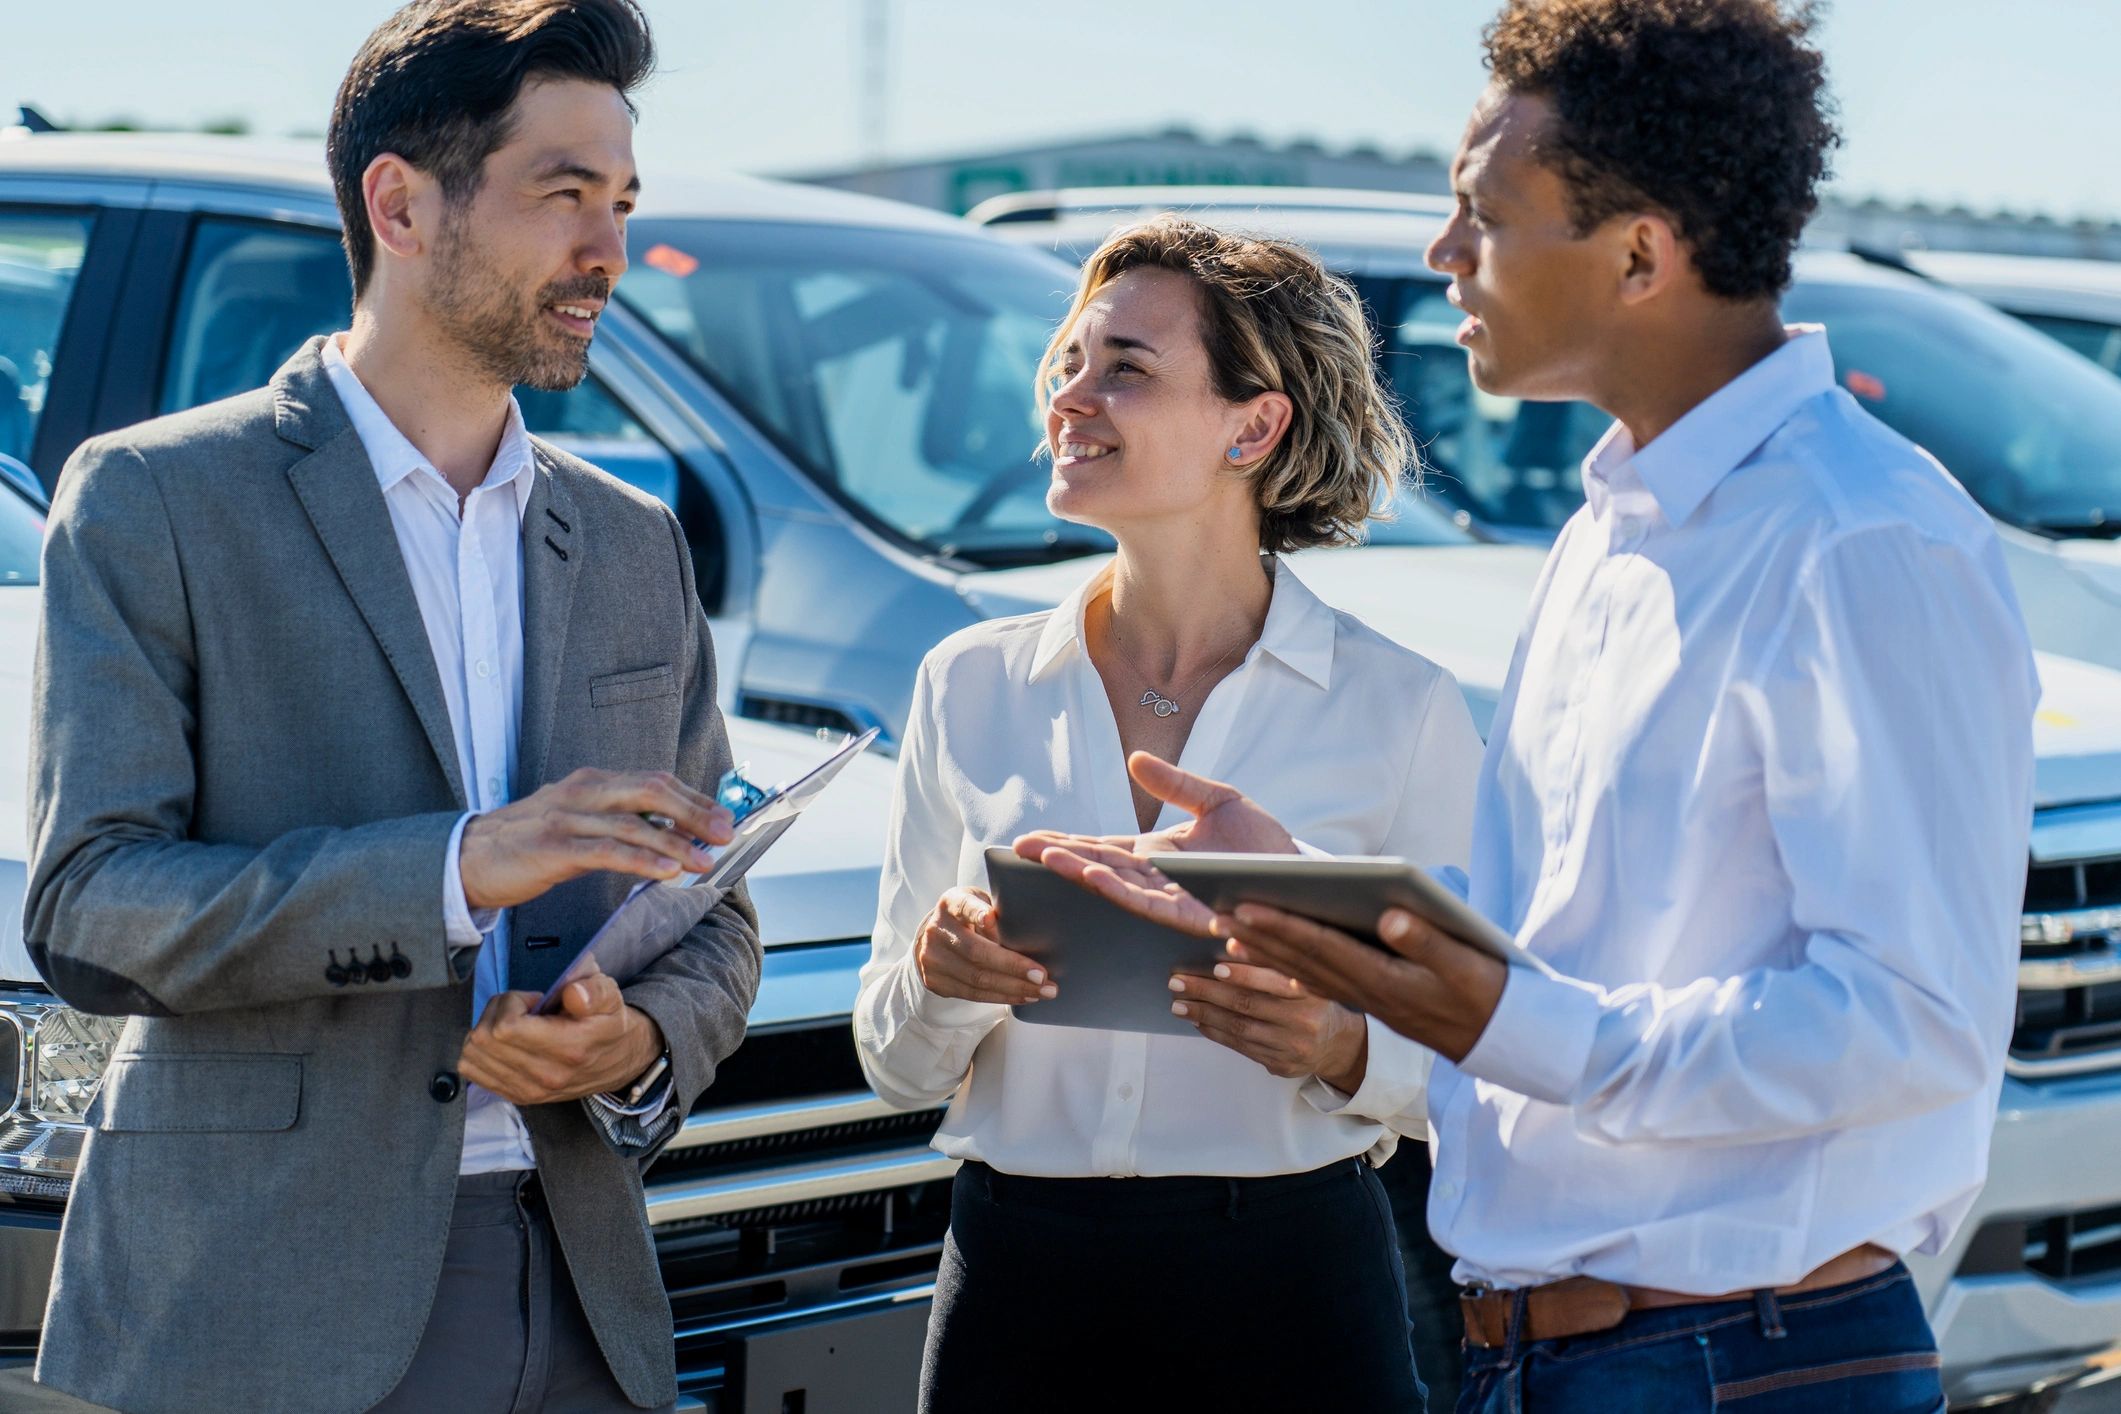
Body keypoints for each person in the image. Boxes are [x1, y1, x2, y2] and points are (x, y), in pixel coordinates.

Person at [1021, 3, 2039, 1411]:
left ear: (1638, 254)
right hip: (1551, 1357)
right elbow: (1577, 957)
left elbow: (1909, 1020)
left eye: (1480, 217)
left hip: (1740, 1365)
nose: (1441, 258)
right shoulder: (1605, 537)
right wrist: (1326, 908)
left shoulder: (1859, 538)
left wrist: (1508, 1018)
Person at [23, 4, 761, 1410]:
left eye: (620, 201)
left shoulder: (631, 539)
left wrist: (644, 1037)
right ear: (400, 202)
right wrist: (452, 869)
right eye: (562, 195)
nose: (608, 250)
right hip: (261, 1302)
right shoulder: (155, 499)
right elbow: (89, 906)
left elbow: (713, 902)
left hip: (586, 1294)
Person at [854, 215, 1481, 1412]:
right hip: (1013, 1287)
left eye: (1126, 369)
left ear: (1254, 425)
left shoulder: (1402, 710)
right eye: (1072, 363)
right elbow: (893, 1060)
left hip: (1292, 1290)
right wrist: (943, 975)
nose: (1071, 397)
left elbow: (1484, 1058)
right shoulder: (968, 684)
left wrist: (1341, 1042)